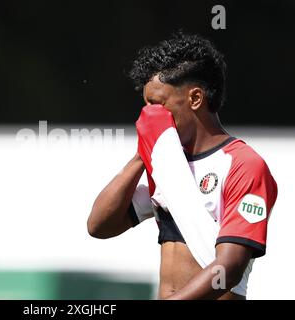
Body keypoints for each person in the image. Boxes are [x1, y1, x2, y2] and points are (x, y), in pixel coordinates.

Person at [87, 32, 278, 300]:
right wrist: (145, 152)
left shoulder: (243, 164)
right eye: (145, 106)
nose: (149, 115)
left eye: (157, 105)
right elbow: (99, 226)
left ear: (195, 98)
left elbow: (230, 267)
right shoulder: (167, 164)